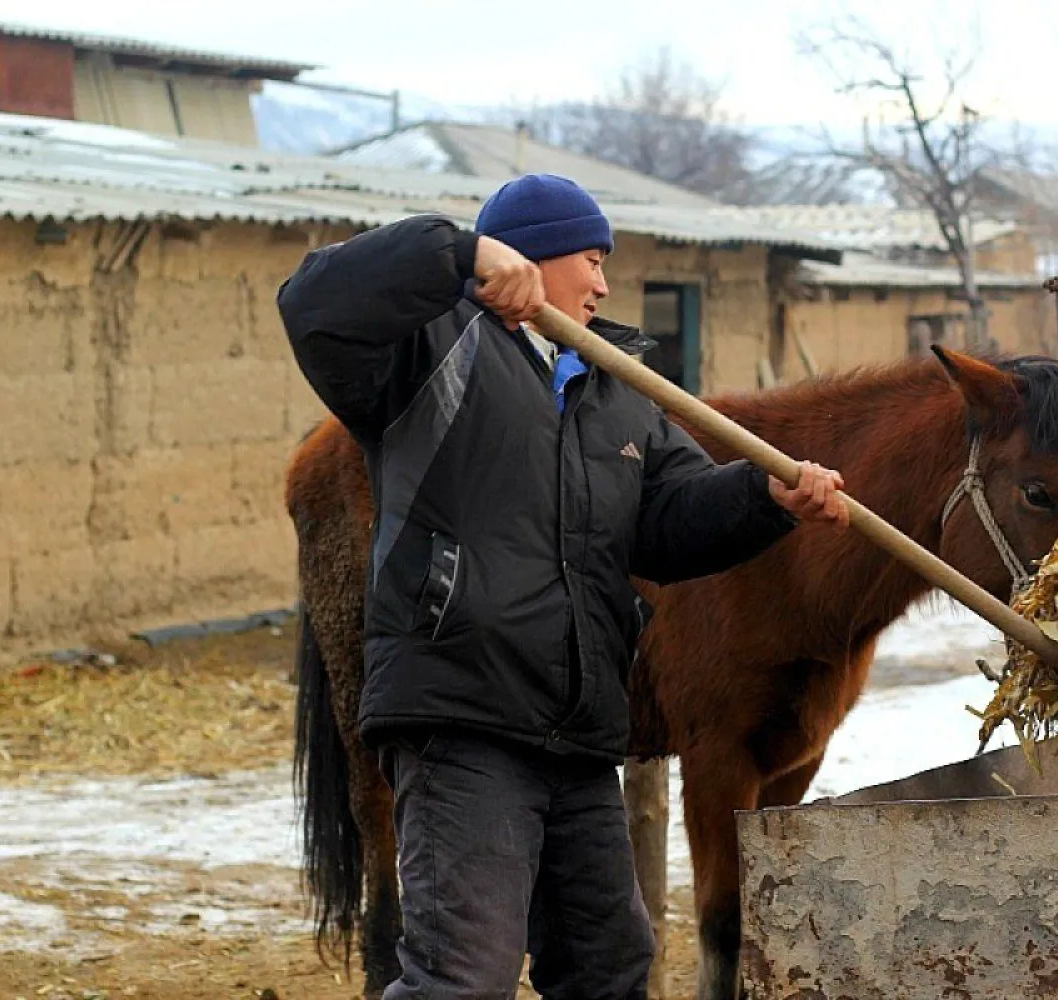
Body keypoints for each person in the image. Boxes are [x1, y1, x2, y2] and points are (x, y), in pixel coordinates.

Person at [277, 172, 849, 1000]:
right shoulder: (429, 352)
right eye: (592, 259)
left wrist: (766, 497)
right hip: (464, 718)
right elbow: (313, 300)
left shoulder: (614, 389)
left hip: (578, 736)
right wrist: (459, 252)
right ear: (532, 257)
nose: (606, 284)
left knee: (608, 969)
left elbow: (671, 520)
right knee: (460, 978)